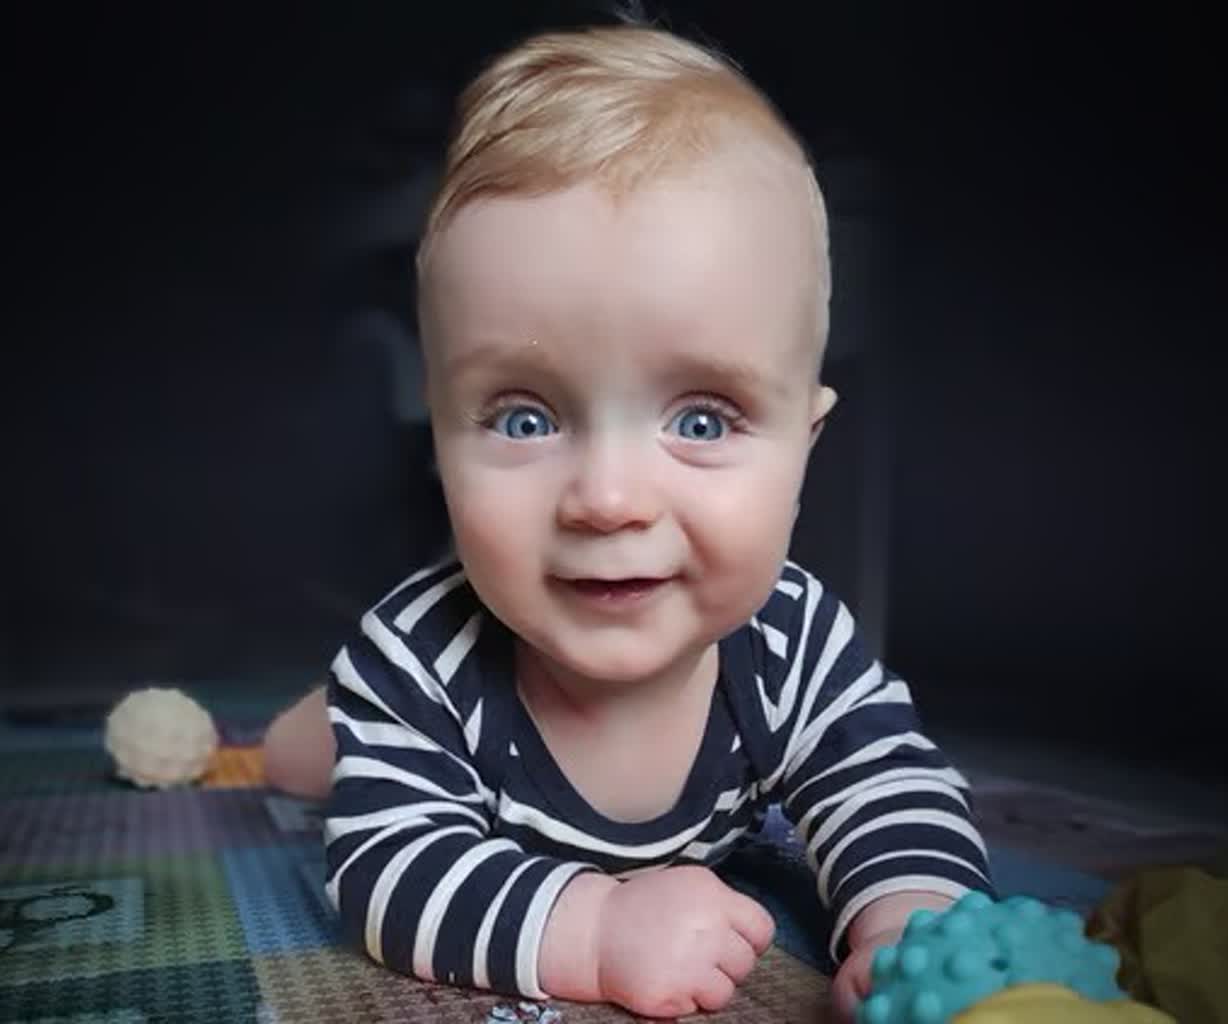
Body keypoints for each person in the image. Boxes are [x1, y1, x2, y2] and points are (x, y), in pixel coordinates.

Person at [263, 21, 992, 1021]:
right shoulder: (419, 657)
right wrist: (594, 928)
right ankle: (317, 723)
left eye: (702, 420)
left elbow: (887, 784)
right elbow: (389, 871)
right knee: (304, 759)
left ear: (804, 447)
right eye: (525, 418)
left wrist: (910, 921)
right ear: (441, 434)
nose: (608, 499)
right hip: (397, 726)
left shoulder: (792, 641)